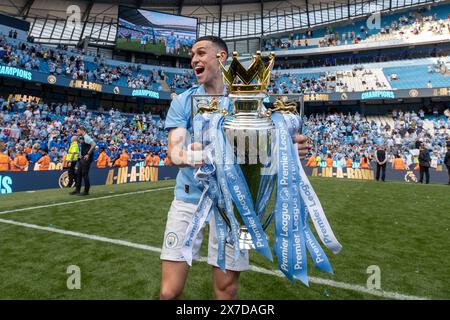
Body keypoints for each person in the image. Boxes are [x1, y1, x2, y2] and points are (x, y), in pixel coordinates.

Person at [159, 35, 310, 300]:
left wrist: (288, 149)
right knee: (169, 292)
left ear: (221, 58)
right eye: (192, 55)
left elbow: (262, 148)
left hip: (231, 204)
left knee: (226, 291)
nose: (194, 59)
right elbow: (174, 152)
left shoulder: (248, 102)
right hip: (188, 199)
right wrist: (190, 155)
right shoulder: (183, 101)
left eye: (201, 53)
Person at [71, 126, 96, 196]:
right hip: (83, 158)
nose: (77, 132)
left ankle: (86, 191)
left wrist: (88, 154)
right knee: (78, 173)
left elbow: (93, 144)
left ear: (82, 130)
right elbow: (85, 147)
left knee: (85, 174)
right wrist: (81, 154)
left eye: (78, 131)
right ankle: (77, 190)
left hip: (87, 159)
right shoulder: (83, 137)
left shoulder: (86, 137)